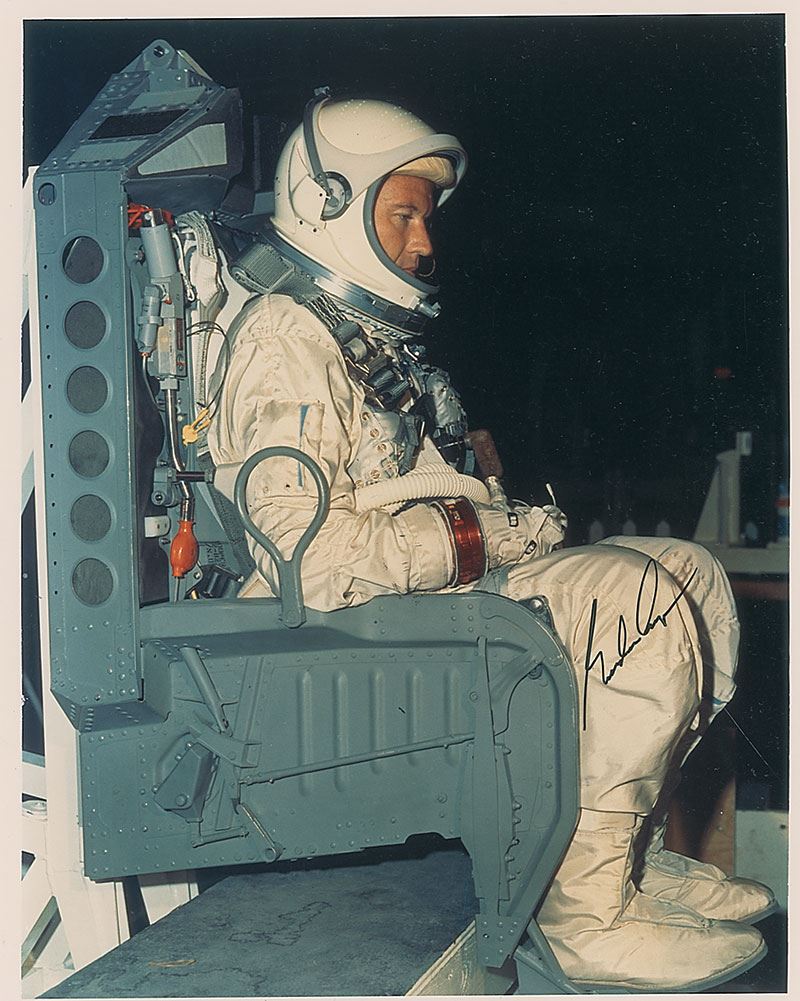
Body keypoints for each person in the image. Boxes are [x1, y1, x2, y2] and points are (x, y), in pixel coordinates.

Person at [207, 94, 775, 992]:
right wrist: (487, 533)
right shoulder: (286, 336)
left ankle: (616, 856)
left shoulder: (362, 340)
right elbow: (308, 560)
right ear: (328, 202)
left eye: (425, 220)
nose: (424, 244)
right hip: (349, 639)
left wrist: (491, 517)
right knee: (641, 597)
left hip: (416, 613)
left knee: (690, 574)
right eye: (403, 216)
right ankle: (584, 915)